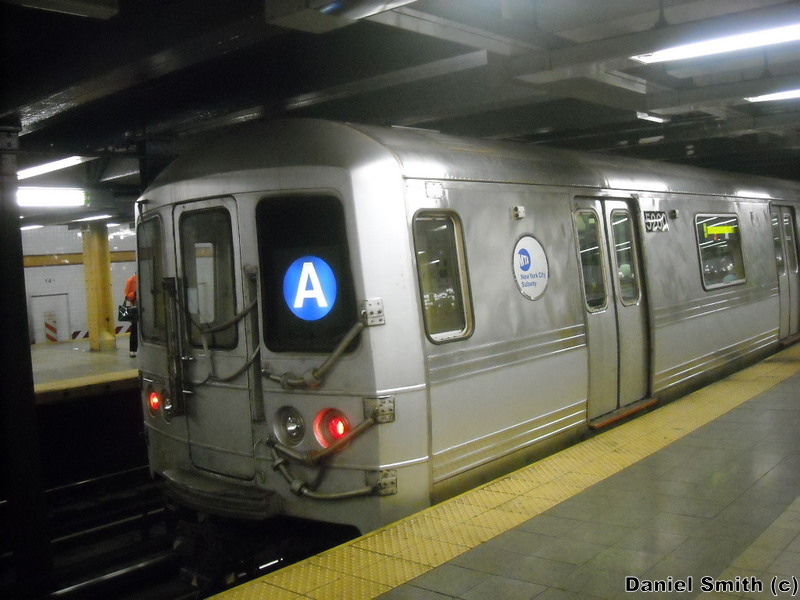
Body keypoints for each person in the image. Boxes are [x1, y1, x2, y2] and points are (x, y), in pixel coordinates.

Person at [124, 273, 138, 357]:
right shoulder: (130, 281)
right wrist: (134, 293)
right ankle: (132, 350)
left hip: (145, 307)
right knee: (134, 329)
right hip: (135, 308)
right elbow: (127, 297)